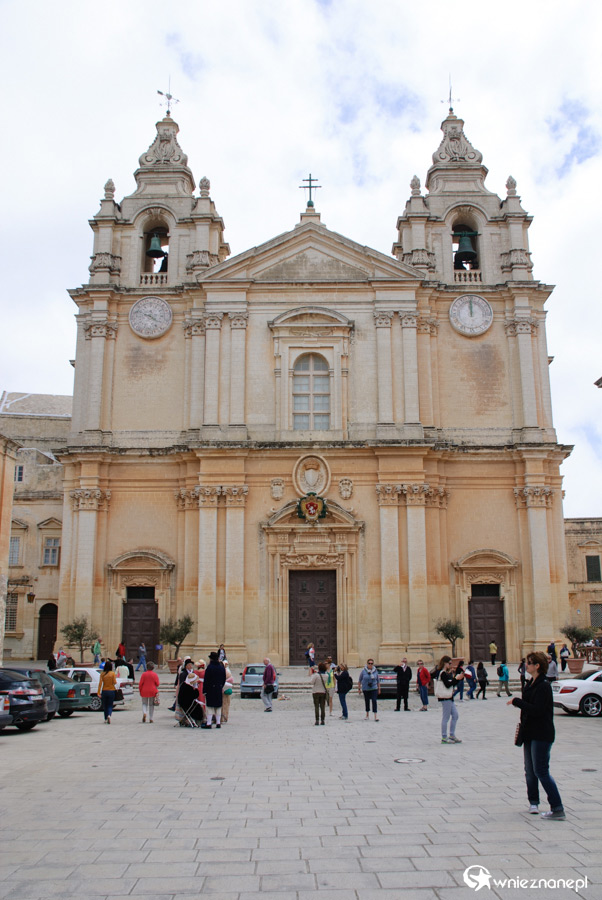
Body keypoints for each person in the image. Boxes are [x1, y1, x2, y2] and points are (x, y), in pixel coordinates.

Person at [508, 651, 565, 819]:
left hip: (541, 733)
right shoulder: (530, 683)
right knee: (530, 770)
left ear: (537, 666)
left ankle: (557, 808)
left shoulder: (543, 686)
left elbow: (538, 710)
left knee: (541, 770)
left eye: (529, 662)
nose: (526, 665)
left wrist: (517, 702)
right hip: (529, 732)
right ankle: (533, 802)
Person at [436, 656, 463, 743]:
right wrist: (456, 679)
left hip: (450, 697)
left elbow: (452, 684)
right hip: (445, 697)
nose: (451, 665)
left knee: (455, 715)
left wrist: (457, 679)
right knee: (446, 717)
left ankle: (452, 735)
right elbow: (447, 685)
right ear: (445, 663)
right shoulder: (442, 673)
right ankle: (444, 737)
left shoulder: (448, 673)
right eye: (450, 663)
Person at [203, 652, 226, 727]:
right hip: (218, 688)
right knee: (218, 706)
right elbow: (224, 678)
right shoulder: (221, 667)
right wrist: (221, 686)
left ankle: (209, 723)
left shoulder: (209, 668)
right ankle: (218, 723)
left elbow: (206, 680)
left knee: (210, 707)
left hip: (210, 689)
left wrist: (204, 690)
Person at [98, 660, 117, 724]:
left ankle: (105, 718)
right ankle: (109, 715)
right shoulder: (112, 673)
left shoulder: (102, 674)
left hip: (104, 690)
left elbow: (100, 684)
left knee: (105, 705)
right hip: (111, 690)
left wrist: (98, 692)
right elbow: (114, 682)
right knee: (110, 705)